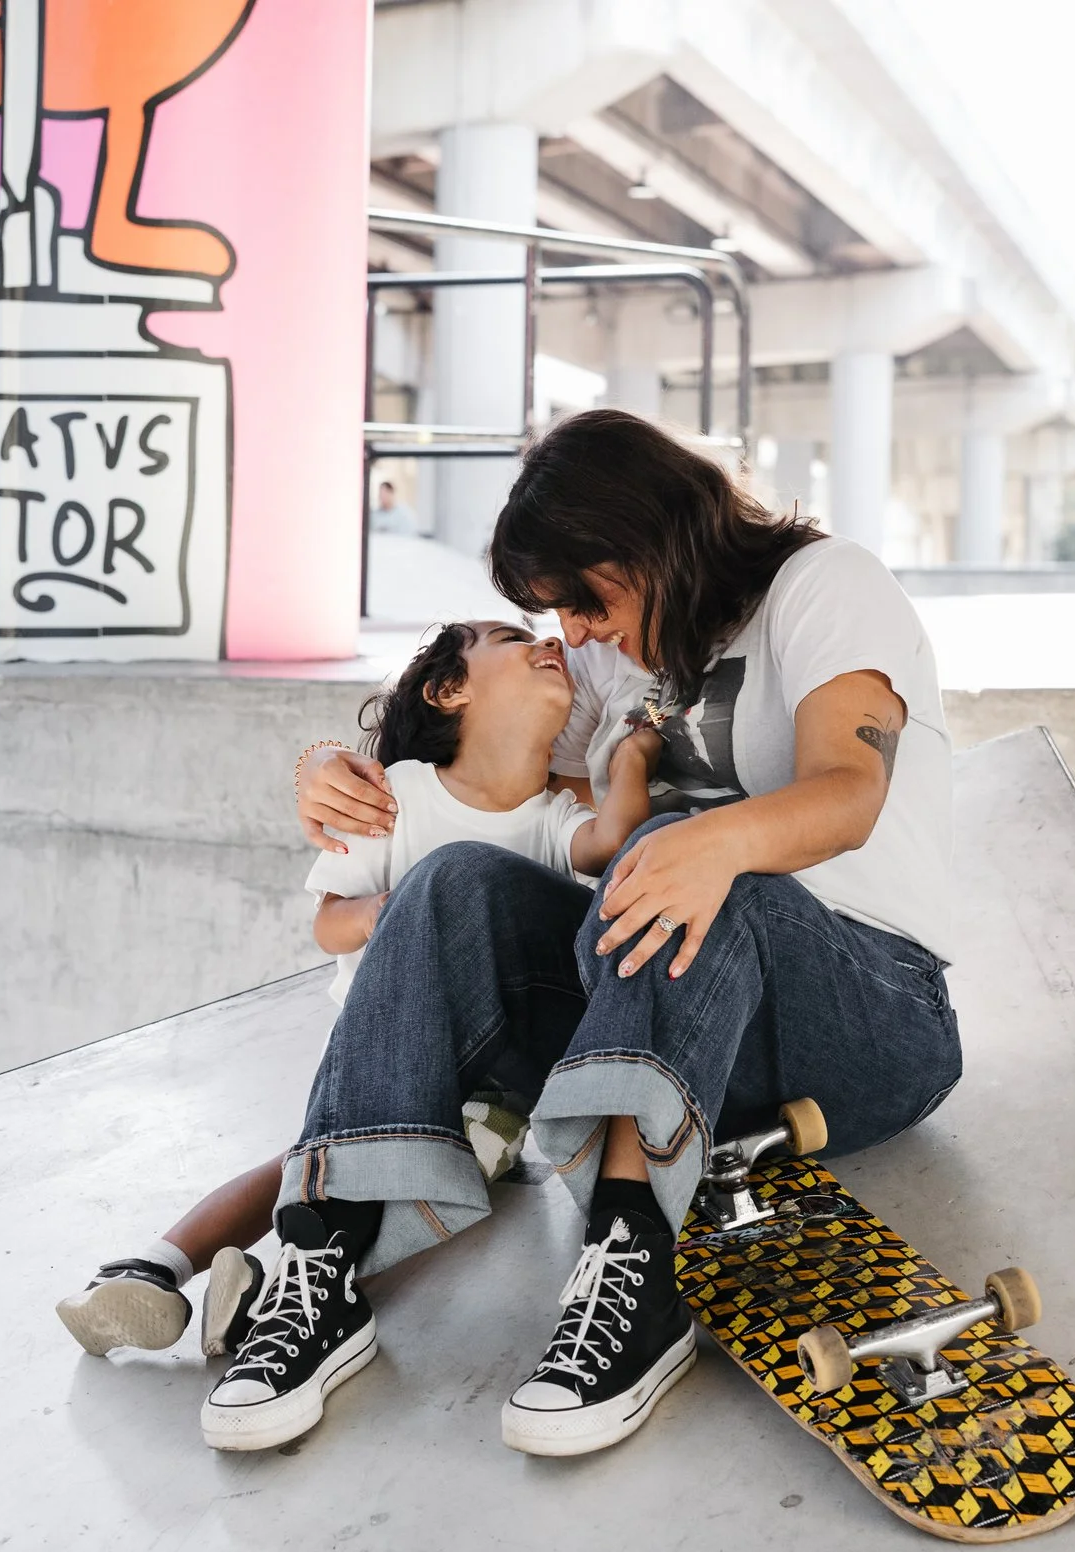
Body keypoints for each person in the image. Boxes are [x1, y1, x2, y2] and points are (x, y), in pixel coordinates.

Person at [210, 407, 961, 1457]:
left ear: (650, 536)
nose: (575, 631)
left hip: (862, 1017)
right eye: (554, 612)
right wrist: (327, 767)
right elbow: (464, 736)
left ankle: (634, 1269)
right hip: (667, 1021)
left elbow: (848, 790)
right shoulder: (611, 665)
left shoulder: (823, 586)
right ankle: (320, 1264)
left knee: (692, 857)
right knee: (449, 881)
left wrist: (709, 843)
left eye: (585, 598)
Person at [55, 619, 662, 1361]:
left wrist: (633, 752)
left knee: (401, 1186)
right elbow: (327, 923)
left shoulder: (550, 817)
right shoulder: (396, 796)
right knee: (315, 1165)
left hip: (493, 1096)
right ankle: (156, 1265)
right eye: (511, 636)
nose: (550, 644)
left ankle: (271, 1294)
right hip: (385, 1054)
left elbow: (612, 841)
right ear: (449, 689)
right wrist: (393, 914)